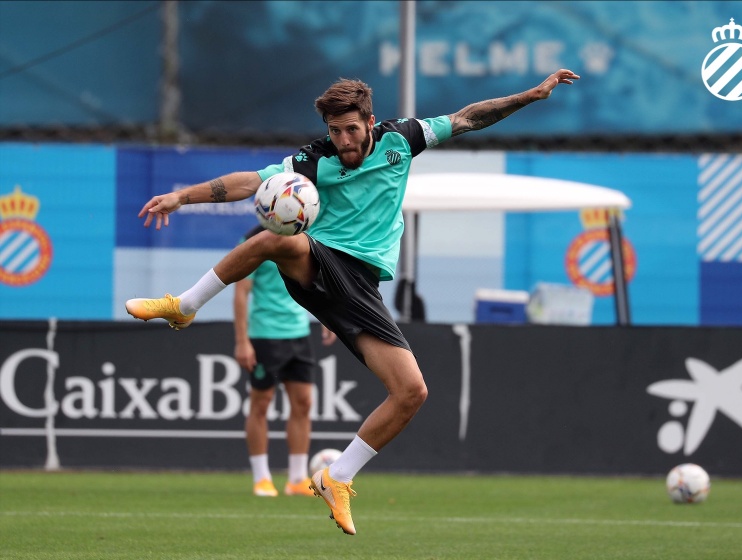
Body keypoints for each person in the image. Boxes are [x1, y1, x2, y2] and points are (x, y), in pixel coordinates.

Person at [126, 69, 580, 535]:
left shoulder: (403, 138)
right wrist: (182, 197)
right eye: (334, 130)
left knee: (411, 392)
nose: (343, 139)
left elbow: (467, 118)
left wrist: (531, 95)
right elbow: (249, 183)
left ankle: (337, 476)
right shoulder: (313, 159)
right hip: (322, 261)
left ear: (370, 122)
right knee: (275, 238)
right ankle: (184, 305)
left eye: (350, 129)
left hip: (361, 289)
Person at [234, 224, 336, 498]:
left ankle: (297, 479)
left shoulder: (303, 238)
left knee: (303, 403)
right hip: (265, 334)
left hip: (299, 334)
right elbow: (241, 292)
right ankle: (262, 478)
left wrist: (328, 317)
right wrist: (242, 341)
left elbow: (315, 283)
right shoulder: (252, 240)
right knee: (261, 403)